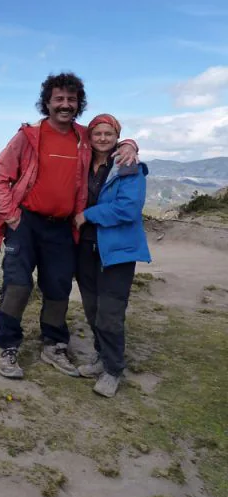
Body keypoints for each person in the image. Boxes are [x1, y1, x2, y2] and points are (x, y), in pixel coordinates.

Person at [0, 72, 138, 380]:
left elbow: (108, 140)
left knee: (58, 287)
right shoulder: (28, 136)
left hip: (61, 227)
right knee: (17, 284)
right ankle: (8, 345)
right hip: (26, 222)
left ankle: (54, 343)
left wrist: (130, 144)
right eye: (59, 99)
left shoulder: (83, 137)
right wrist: (12, 216)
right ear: (47, 103)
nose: (65, 105)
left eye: (71, 100)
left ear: (78, 104)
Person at [73, 114, 151, 397]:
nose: (103, 138)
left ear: (117, 136)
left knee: (110, 313)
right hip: (86, 249)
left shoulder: (128, 166)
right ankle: (100, 356)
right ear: (90, 136)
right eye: (98, 133)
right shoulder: (83, 164)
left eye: (109, 133)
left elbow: (128, 209)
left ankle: (113, 369)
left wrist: (87, 215)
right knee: (92, 309)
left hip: (116, 252)